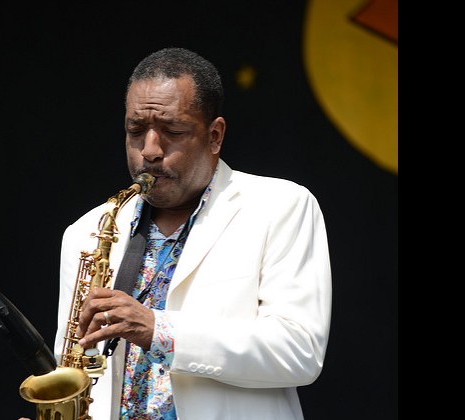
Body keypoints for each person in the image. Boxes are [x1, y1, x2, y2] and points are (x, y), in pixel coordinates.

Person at [53, 47, 332, 420]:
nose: (149, 151)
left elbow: (298, 352)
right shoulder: (86, 232)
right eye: (135, 130)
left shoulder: (281, 206)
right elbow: (74, 368)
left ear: (214, 135)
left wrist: (159, 330)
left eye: (172, 131)